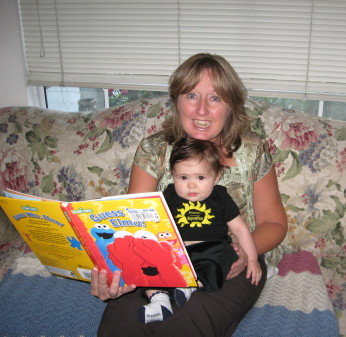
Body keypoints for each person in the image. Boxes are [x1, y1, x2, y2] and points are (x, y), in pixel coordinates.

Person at [91, 52, 288, 337]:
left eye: (216, 98)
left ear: (231, 105)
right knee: (122, 325)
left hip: (227, 259)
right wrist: (115, 276)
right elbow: (131, 228)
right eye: (192, 96)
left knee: (189, 325)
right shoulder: (153, 150)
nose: (202, 111)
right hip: (157, 260)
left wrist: (244, 253)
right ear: (176, 101)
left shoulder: (253, 152)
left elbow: (274, 224)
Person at [138, 137, 262, 324]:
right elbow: (156, 225)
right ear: (173, 175)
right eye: (183, 177)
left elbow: (240, 229)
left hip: (209, 250)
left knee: (225, 254)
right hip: (177, 253)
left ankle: (192, 285)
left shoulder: (220, 197)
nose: (191, 185)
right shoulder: (169, 195)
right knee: (147, 264)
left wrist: (252, 260)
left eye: (201, 177)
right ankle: (159, 300)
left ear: (217, 176)